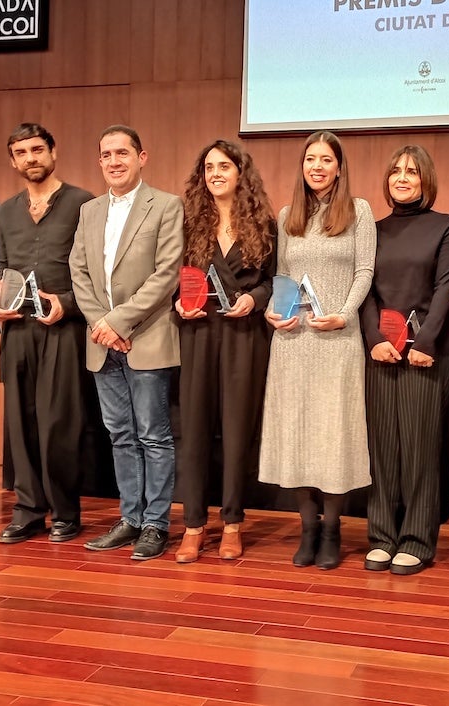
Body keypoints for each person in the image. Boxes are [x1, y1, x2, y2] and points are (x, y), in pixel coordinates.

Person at [259, 130, 376, 570]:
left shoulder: (358, 211)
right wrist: (273, 312)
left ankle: (332, 529)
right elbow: (283, 276)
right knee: (298, 436)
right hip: (292, 341)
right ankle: (307, 528)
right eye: (311, 159)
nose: (318, 167)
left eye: (326, 160)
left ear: (339, 167)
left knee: (334, 437)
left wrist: (345, 315)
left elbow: (364, 270)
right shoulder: (289, 214)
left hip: (337, 341)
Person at [70, 125, 183, 561]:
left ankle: (156, 525)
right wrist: (102, 325)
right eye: (106, 155)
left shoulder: (167, 206)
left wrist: (118, 322)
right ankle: (130, 518)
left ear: (142, 157)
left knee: (153, 436)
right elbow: (78, 270)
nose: (114, 161)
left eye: (122, 153)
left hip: (146, 338)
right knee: (120, 434)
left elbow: (166, 274)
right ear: (99, 162)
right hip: (102, 341)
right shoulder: (89, 210)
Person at [0, 122, 95, 544]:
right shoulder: (7, 209)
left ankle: (66, 511)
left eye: (37, 150)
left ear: (53, 152)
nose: (30, 158)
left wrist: (65, 303)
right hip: (17, 329)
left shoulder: (82, 203)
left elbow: (91, 273)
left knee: (58, 423)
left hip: (63, 328)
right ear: (13, 160)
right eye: (21, 152)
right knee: (21, 422)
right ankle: (28, 509)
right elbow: (2, 266)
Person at [359, 145, 449, 576]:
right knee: (383, 447)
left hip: (424, 351)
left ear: (426, 180)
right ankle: (382, 535)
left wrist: (428, 341)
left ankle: (418, 538)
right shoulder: (372, 229)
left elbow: (445, 289)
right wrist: (373, 338)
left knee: (420, 448)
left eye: (412, 172)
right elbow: (363, 288)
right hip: (381, 349)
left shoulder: (445, 226)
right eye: (396, 170)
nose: (402, 178)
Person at [173, 140, 276, 563]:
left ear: (240, 173)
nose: (215, 173)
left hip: (243, 336)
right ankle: (194, 525)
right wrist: (177, 304)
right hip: (197, 334)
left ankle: (232, 522)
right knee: (194, 432)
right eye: (208, 167)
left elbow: (272, 281)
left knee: (236, 434)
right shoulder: (187, 222)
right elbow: (170, 277)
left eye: (224, 166)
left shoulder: (265, 224)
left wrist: (255, 299)